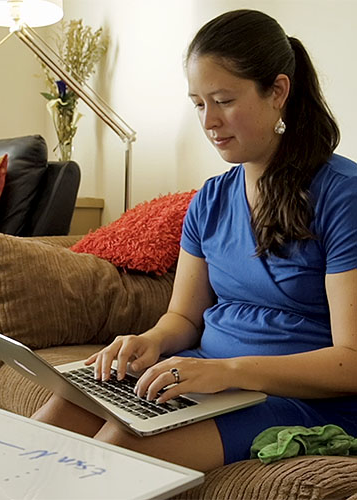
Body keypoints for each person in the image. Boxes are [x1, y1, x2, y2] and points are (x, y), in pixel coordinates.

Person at [32, 9, 357, 472]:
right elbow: (184, 315)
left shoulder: (343, 195)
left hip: (297, 397)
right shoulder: (211, 199)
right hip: (208, 375)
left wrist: (227, 372)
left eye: (223, 100)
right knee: (56, 416)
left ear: (278, 92)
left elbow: (351, 361)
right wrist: (148, 341)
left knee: (115, 450)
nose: (209, 121)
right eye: (199, 103)